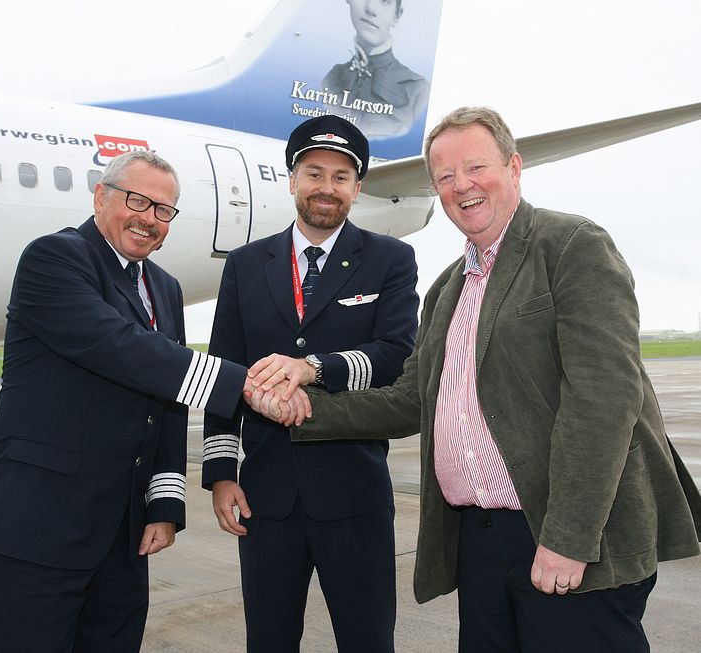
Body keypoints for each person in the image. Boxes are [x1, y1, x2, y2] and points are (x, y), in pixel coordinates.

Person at [251, 107, 701, 652]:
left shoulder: (571, 245)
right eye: (445, 177)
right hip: (481, 541)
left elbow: (604, 402)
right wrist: (303, 408)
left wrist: (568, 538)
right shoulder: (448, 288)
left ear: (514, 167)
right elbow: (408, 401)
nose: (461, 186)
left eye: (475, 167)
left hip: (567, 533)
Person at [0, 151, 298, 653]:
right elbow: (119, 347)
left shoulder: (164, 288)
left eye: (163, 209)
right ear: (101, 197)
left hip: (123, 538)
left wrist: (164, 505)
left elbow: (165, 404)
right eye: (137, 201)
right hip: (40, 525)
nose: (149, 218)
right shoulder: (54, 258)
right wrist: (247, 387)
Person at [203, 114, 419, 652]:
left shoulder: (391, 259)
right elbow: (223, 372)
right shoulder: (247, 264)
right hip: (265, 496)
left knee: (367, 639)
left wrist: (315, 367)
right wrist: (221, 473)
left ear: (357, 187)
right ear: (292, 179)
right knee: (269, 640)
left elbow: (396, 357)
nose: (327, 188)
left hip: (354, 494)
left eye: (341, 177)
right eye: (315, 174)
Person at [321, 0, 430, 139]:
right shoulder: (332, 78)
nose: (371, 8)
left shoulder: (418, 91)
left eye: (385, 1)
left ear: (397, 15)